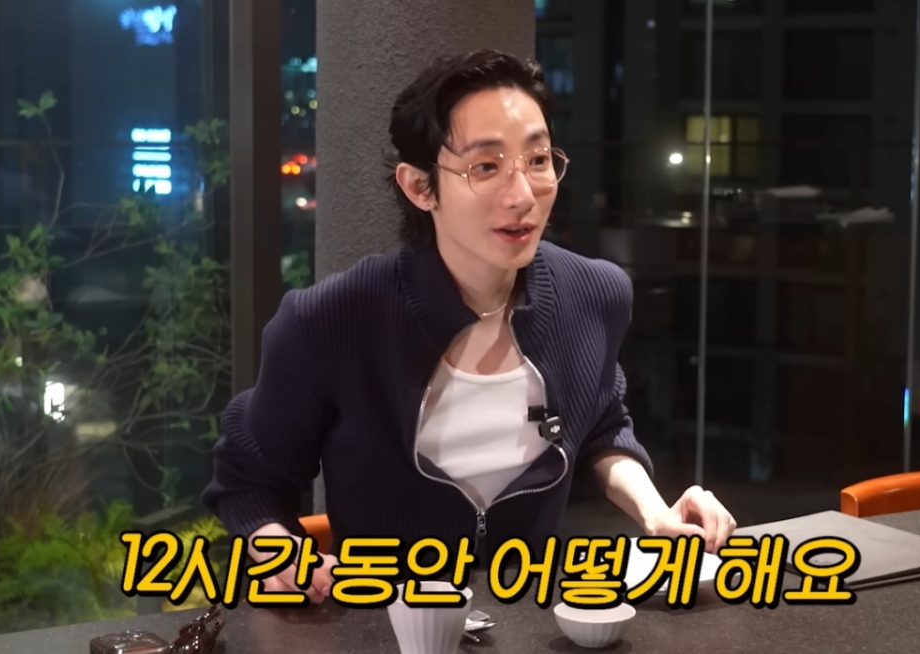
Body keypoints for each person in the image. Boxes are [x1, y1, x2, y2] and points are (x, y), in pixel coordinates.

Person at [201, 50, 737, 604]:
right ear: (420, 187)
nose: (522, 195)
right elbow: (249, 478)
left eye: (538, 159)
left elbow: (602, 424)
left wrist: (656, 512)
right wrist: (278, 550)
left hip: (532, 618)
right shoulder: (332, 319)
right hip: (383, 622)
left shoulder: (595, 295)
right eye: (486, 167)